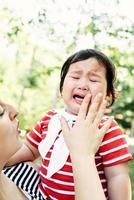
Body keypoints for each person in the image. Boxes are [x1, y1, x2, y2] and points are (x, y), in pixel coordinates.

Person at [3, 49, 133, 200]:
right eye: (75, 76)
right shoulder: (50, 118)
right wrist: (4, 161)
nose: (83, 84)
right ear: (62, 88)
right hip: (42, 194)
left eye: (94, 80)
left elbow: (117, 176)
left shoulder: (107, 129)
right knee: (12, 171)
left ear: (108, 96)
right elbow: (30, 150)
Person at [1, 96, 111, 200]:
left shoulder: (21, 171)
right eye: (0, 112)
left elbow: (118, 176)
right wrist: (83, 156)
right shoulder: (52, 118)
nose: (15, 111)